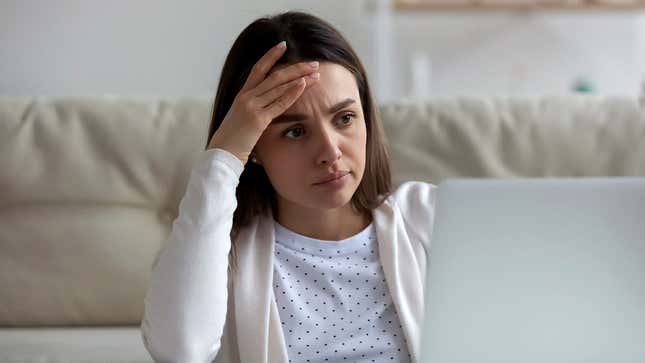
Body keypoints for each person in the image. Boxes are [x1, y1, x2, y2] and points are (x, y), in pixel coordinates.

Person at [141, 10, 436, 363]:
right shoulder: (218, 251)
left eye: (345, 118)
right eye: (294, 132)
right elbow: (179, 350)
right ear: (254, 149)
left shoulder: (431, 216)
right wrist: (224, 155)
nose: (330, 152)